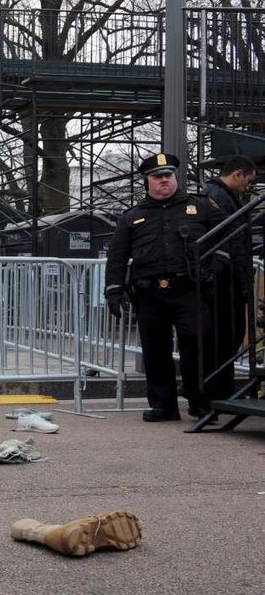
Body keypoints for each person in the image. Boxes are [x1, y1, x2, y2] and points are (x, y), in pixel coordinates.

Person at [104, 152, 222, 422]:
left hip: (190, 290)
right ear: (148, 182)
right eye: (158, 177)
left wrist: (216, 272)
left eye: (168, 176)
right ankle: (164, 406)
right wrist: (113, 289)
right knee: (155, 351)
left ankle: (200, 403)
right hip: (149, 293)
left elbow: (224, 239)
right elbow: (117, 257)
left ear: (176, 178)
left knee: (196, 347)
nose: (164, 181)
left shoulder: (201, 207)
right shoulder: (132, 217)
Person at [202, 155, 257, 402]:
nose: (248, 186)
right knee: (225, 336)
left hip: (227, 277)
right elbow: (232, 242)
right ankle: (218, 388)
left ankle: (220, 387)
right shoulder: (219, 197)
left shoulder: (219, 196)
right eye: (248, 181)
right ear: (237, 174)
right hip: (226, 280)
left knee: (227, 336)